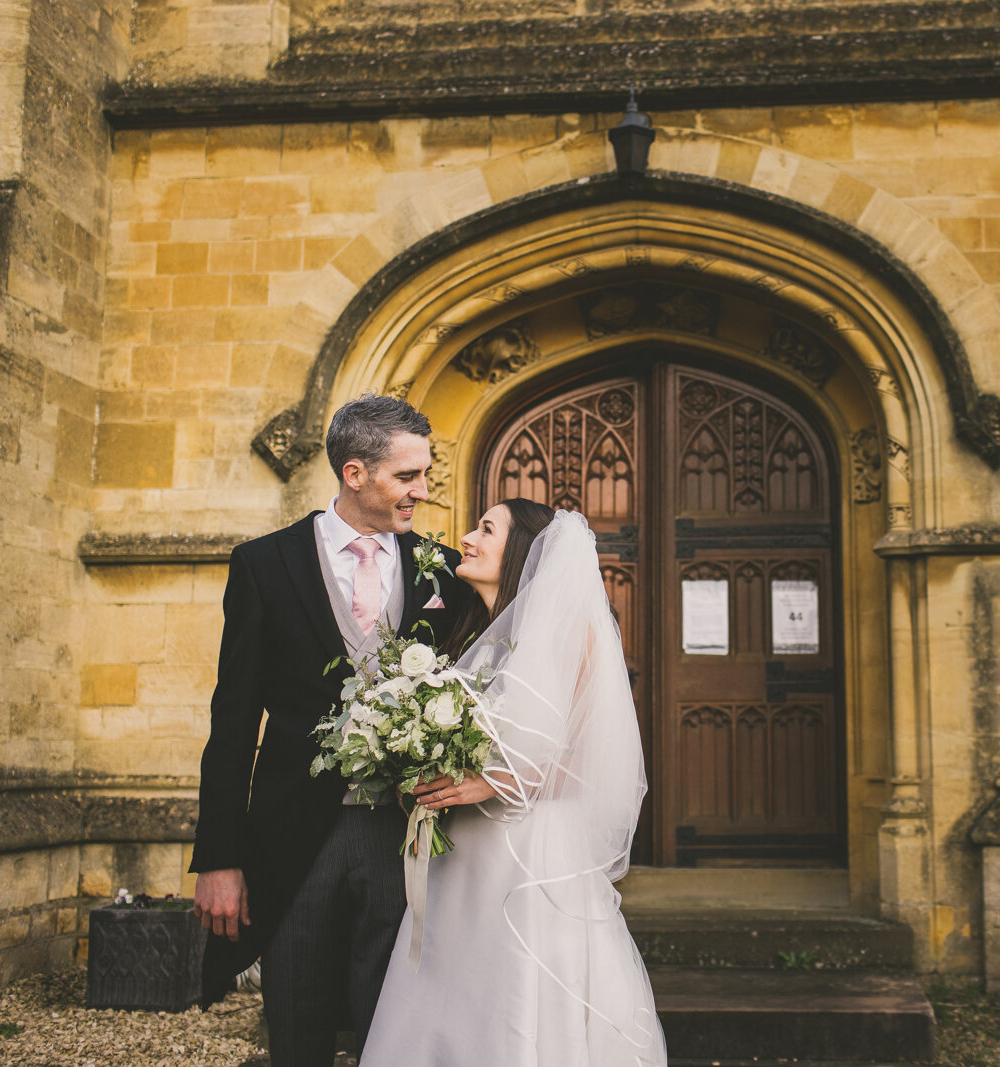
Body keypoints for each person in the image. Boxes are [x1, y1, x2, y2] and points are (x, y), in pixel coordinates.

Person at [190, 394, 477, 1066]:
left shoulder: (442, 571)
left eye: (425, 474)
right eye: (408, 476)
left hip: (403, 831)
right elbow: (232, 719)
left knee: (396, 1022)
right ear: (355, 473)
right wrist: (219, 857)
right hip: (295, 834)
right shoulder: (264, 564)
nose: (424, 491)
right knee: (297, 1018)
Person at [361, 499, 668, 1067]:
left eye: (486, 529)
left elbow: (587, 759)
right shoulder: (468, 636)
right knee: (452, 980)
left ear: (525, 551)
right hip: (461, 857)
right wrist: (417, 769)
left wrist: (491, 783)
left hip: (528, 852)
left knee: (516, 983)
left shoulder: (570, 631)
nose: (467, 539)